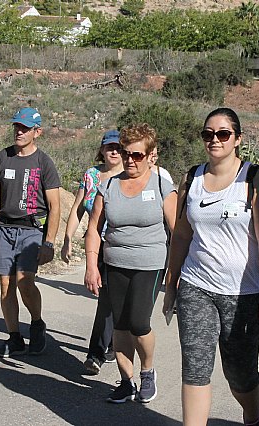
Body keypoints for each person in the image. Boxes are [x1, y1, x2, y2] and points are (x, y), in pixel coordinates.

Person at [163, 107, 259, 426]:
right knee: (195, 366)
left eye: (223, 134)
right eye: (208, 134)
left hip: (244, 294)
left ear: (237, 139)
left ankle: (252, 416)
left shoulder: (254, 179)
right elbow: (182, 235)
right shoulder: (192, 178)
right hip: (196, 287)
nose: (215, 140)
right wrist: (171, 286)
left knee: (239, 373)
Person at [83, 123, 177, 404]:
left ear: (151, 156)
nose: (130, 160)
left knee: (138, 322)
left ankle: (147, 372)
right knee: (121, 326)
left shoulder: (162, 185)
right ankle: (126, 381)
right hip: (114, 262)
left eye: (137, 155)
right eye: (126, 154)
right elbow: (94, 229)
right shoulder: (108, 185)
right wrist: (91, 265)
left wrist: (177, 270)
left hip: (150, 263)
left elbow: (178, 231)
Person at [0, 107, 61, 358]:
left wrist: (49, 243)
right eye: (16, 127)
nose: (19, 132)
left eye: (25, 128)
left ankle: (37, 323)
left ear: (37, 132)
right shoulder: (3, 157)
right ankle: (15, 337)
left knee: (24, 281)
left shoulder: (44, 162)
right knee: (6, 284)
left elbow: (55, 206)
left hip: (32, 230)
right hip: (5, 228)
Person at [61, 130, 124, 374]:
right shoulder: (91, 176)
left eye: (118, 147)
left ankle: (109, 344)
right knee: (106, 298)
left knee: (117, 302)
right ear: (102, 150)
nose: (114, 152)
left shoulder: (130, 175)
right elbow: (78, 208)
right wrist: (67, 239)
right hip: (97, 245)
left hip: (121, 245)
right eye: (109, 147)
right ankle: (99, 351)